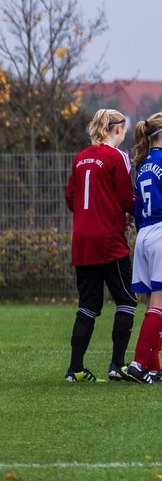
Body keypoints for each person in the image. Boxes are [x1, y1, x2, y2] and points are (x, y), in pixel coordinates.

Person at [64, 109, 135, 382]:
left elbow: (71, 198)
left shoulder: (80, 157)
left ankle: (75, 369)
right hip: (109, 239)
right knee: (126, 301)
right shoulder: (118, 157)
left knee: (88, 305)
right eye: (124, 127)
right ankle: (117, 365)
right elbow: (127, 199)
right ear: (115, 128)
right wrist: (128, 215)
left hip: (82, 241)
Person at [124, 112, 162, 383]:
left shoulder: (144, 163)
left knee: (153, 303)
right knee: (159, 305)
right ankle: (138, 363)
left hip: (145, 233)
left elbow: (137, 207)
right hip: (160, 232)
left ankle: (153, 367)